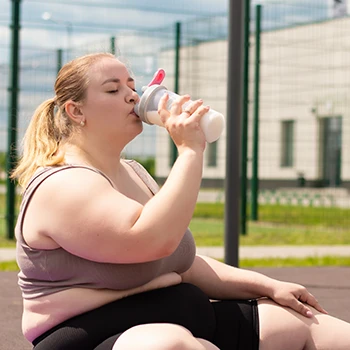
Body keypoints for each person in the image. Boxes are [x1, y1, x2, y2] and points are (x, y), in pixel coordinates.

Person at [12, 52, 350, 350]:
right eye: (114, 90)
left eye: (133, 87)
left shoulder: (134, 173)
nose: (132, 96)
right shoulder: (61, 183)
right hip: (100, 335)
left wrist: (270, 285)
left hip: (185, 320)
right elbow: (150, 242)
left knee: (309, 326)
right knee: (171, 345)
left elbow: (181, 263)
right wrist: (190, 150)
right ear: (76, 111)